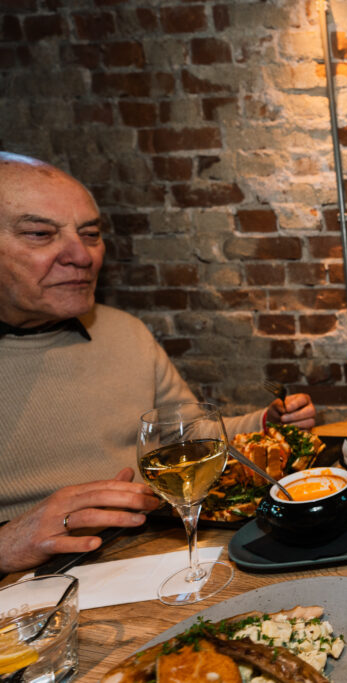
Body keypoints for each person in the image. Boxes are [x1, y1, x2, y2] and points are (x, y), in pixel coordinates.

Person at [0, 153, 316, 574]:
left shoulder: (123, 331)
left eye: (91, 234)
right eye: (41, 233)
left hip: (157, 556)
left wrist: (267, 422)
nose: (81, 255)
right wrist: (8, 542)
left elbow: (186, 438)